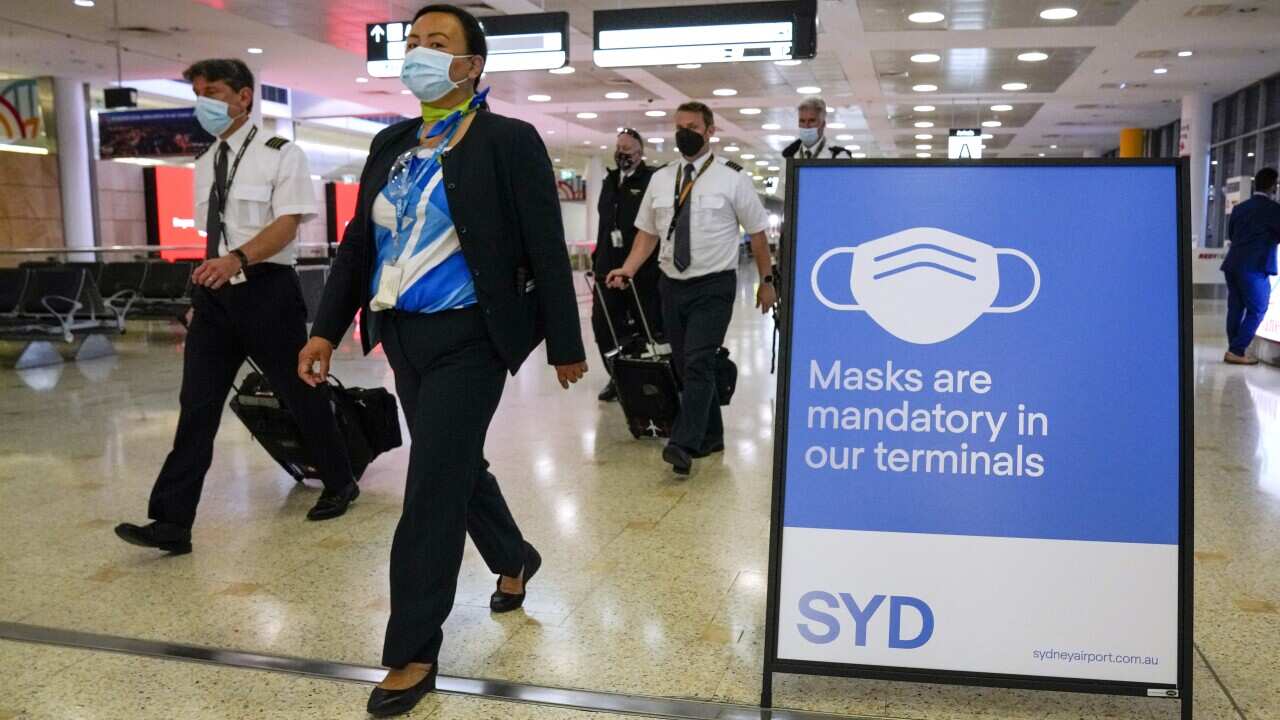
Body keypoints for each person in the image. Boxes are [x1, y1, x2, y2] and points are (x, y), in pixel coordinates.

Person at [296, 5, 587, 716]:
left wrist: (566, 344)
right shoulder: (391, 143)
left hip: (472, 338)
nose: (421, 52)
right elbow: (358, 248)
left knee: (430, 487)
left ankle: (412, 650)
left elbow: (545, 245)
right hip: (402, 335)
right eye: (414, 42)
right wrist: (325, 328)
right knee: (453, 464)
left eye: (438, 43)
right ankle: (514, 557)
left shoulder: (509, 141)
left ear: (471, 64)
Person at [114, 59, 360, 556]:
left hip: (266, 290)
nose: (204, 100)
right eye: (198, 92)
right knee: (196, 408)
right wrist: (206, 283)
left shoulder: (280, 154)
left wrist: (237, 259)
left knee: (300, 393)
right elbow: (214, 230)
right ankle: (171, 522)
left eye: (214, 91)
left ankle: (341, 481)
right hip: (215, 297)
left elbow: (289, 224)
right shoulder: (205, 161)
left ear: (244, 97)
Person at [607, 101, 777, 476]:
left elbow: (759, 235)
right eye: (679, 125)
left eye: (693, 126)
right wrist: (628, 268)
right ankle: (712, 435)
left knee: (698, 360)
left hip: (714, 285)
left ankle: (682, 444)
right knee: (685, 366)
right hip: (672, 285)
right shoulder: (662, 178)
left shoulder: (732, 178)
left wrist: (766, 282)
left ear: (710, 131)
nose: (684, 132)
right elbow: (647, 235)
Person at [593, 127, 659, 402]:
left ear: (640, 153)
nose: (622, 154)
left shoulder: (651, 180)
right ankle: (617, 376)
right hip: (607, 268)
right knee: (604, 325)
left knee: (645, 328)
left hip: (642, 271)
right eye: (619, 149)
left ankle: (647, 378)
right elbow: (604, 225)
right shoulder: (609, 181)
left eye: (628, 150)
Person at [1221, 167, 1280, 364]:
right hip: (1254, 267)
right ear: (1273, 186)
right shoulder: (1274, 210)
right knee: (1258, 309)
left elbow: (1231, 234)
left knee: (1236, 308)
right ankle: (1237, 350)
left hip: (1232, 264)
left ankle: (1234, 349)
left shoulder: (1240, 208)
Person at [781, 96, 853, 160]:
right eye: (802, 121)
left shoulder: (838, 155)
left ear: (823, 124)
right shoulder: (788, 155)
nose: (806, 126)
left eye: (812, 120)